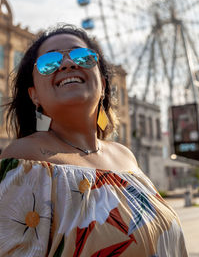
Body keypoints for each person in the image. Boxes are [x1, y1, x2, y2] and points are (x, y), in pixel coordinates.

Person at [0, 24, 188, 257]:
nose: (68, 64)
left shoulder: (125, 156)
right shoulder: (25, 159)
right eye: (49, 62)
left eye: (83, 57)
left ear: (103, 85)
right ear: (34, 95)